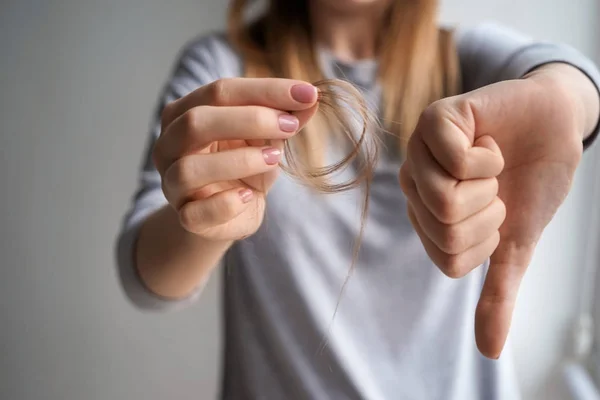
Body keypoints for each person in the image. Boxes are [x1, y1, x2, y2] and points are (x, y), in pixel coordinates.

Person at [116, 0, 600, 398]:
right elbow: (145, 277)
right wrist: (201, 216)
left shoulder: (465, 58)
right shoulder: (222, 65)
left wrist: (564, 98)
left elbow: (571, 75)